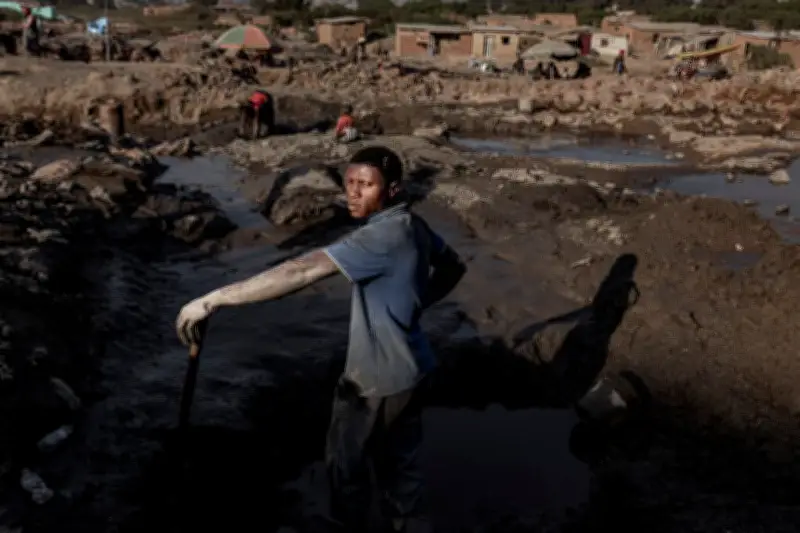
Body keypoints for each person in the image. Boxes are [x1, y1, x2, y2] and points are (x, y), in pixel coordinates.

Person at [175, 145, 466, 533]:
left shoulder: (379, 237)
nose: (353, 193)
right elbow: (453, 267)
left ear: (392, 190)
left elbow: (300, 271)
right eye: (349, 182)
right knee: (402, 472)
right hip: (414, 368)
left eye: (366, 185)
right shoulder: (414, 226)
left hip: (374, 383)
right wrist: (417, 304)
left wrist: (214, 299)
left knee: (347, 470)